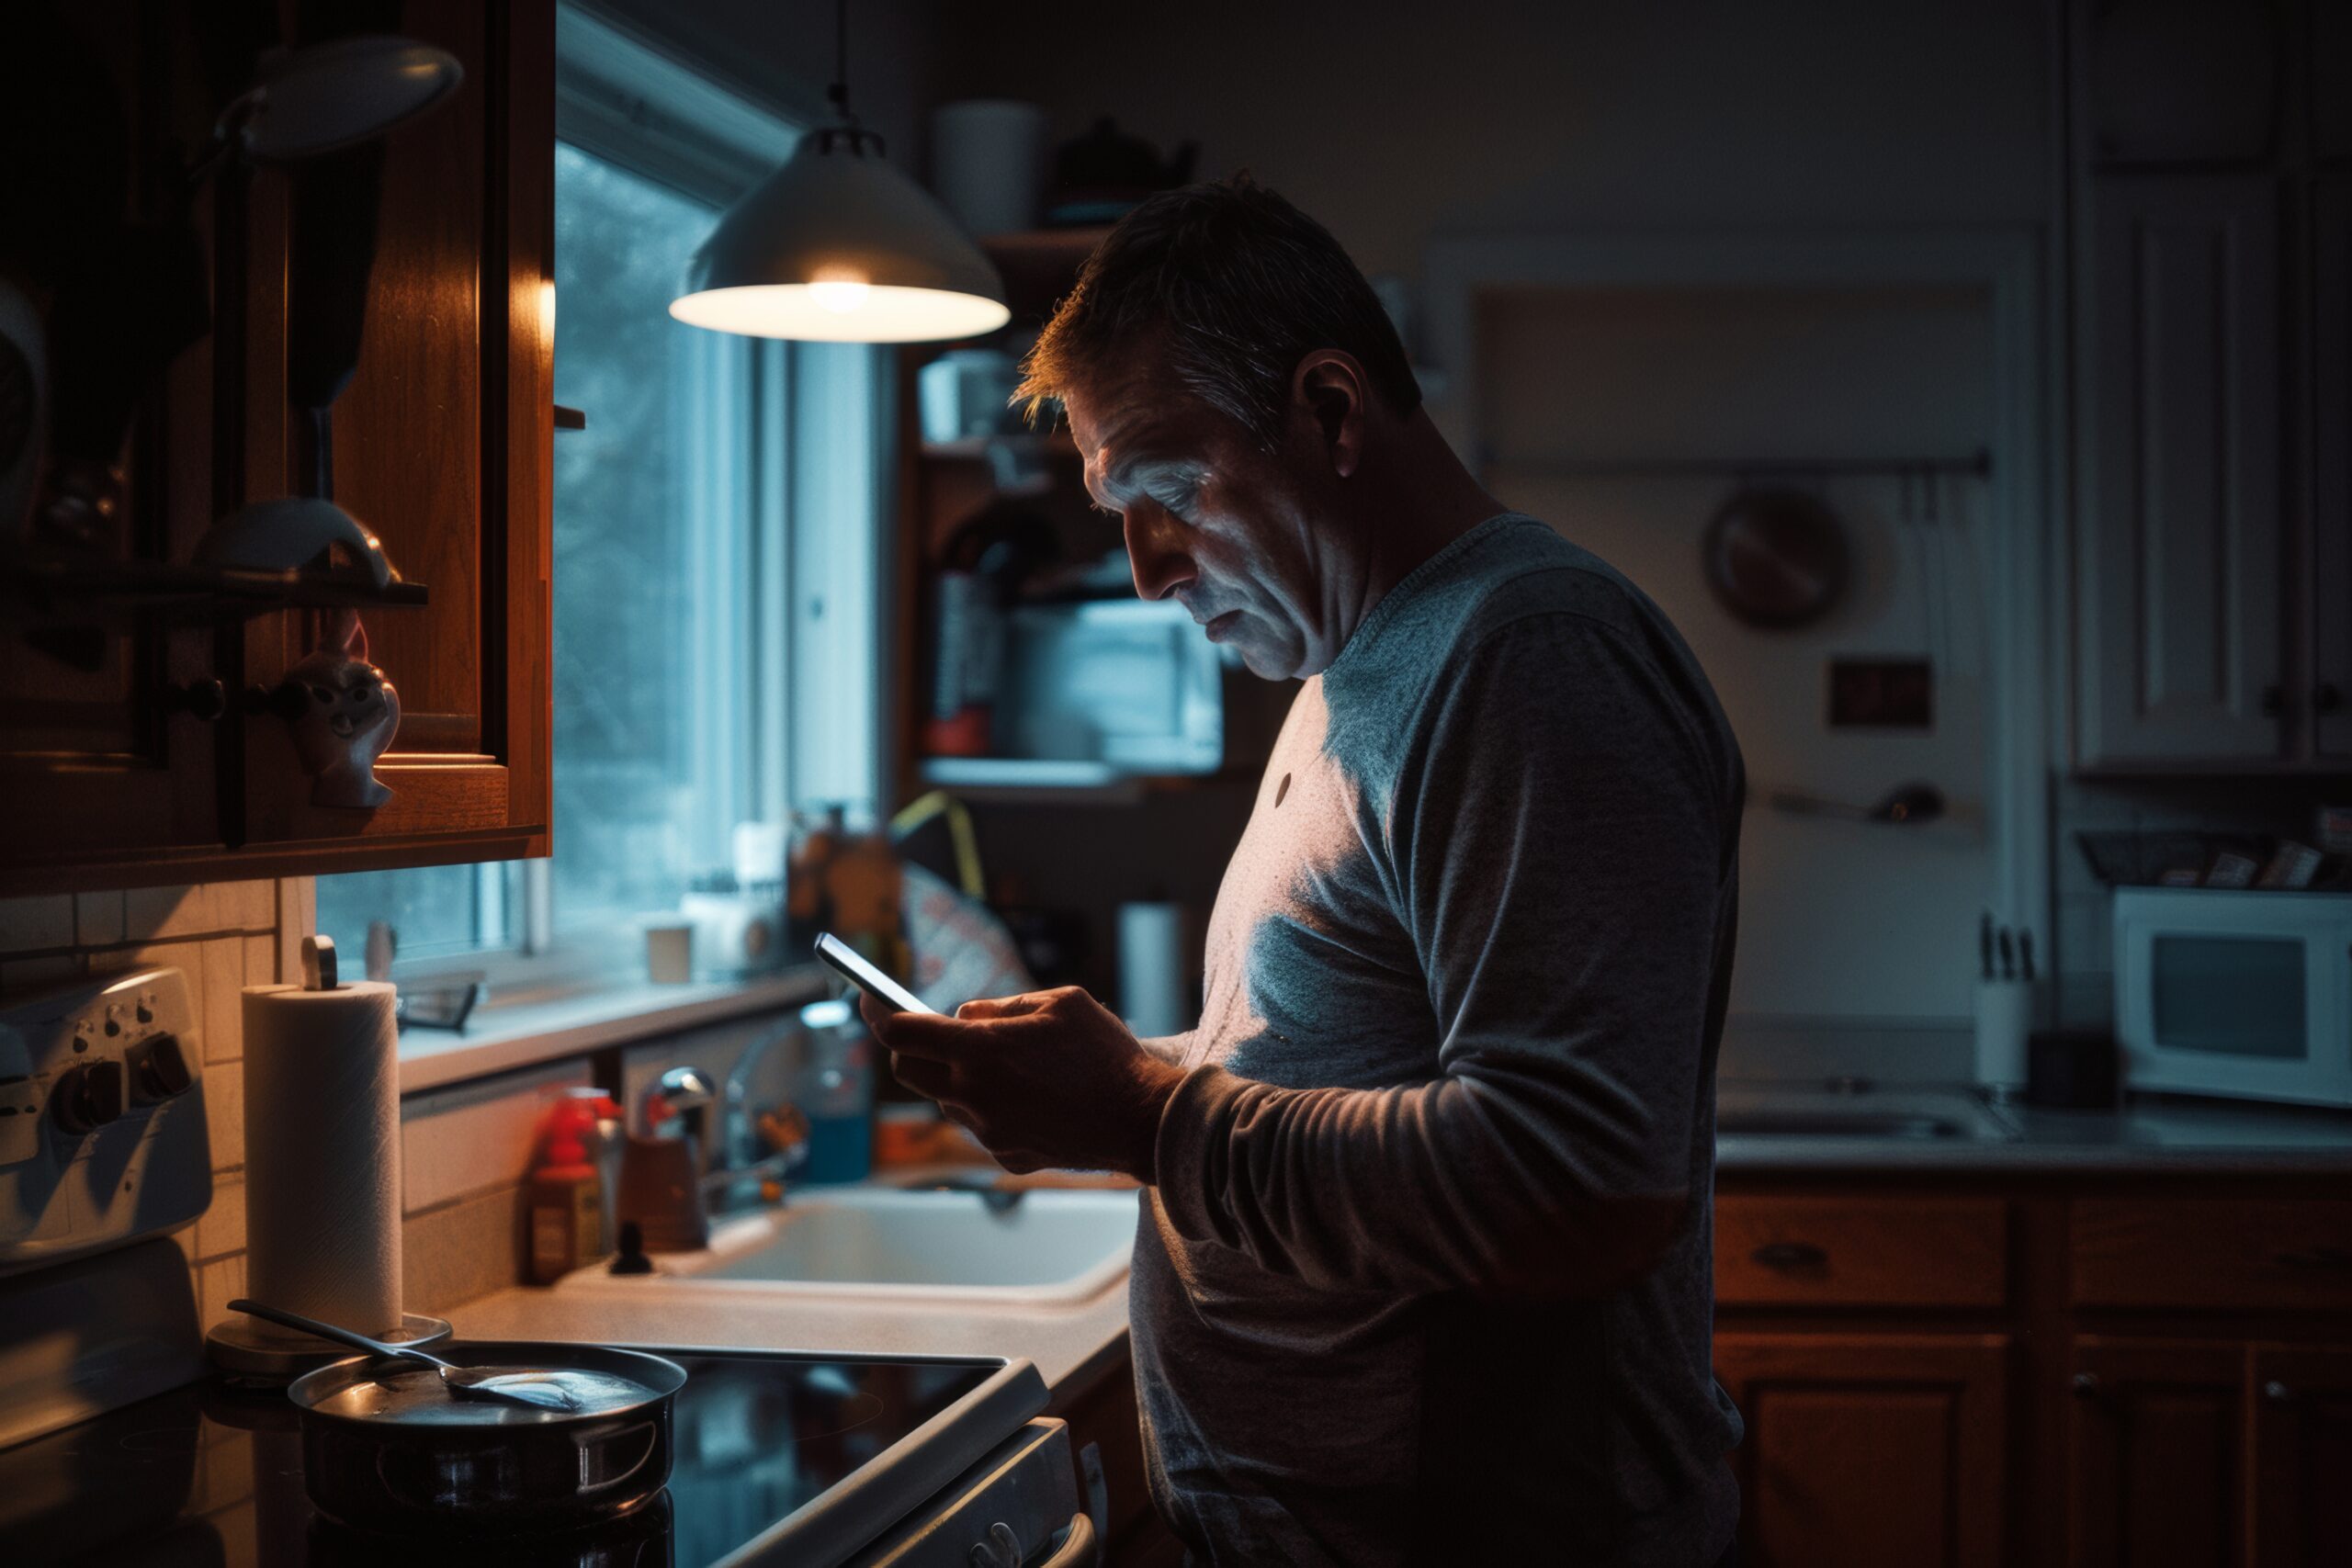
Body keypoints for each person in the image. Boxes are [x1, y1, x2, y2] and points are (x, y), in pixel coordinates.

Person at [863, 175, 1746, 1566]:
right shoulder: (1359, 665)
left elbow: (1580, 1181)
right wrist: (1102, 1083)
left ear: (1330, 411)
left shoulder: (1528, 659)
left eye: (1169, 489)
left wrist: (1148, 1116)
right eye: (1116, 508)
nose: (1147, 571)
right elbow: (1358, 1062)